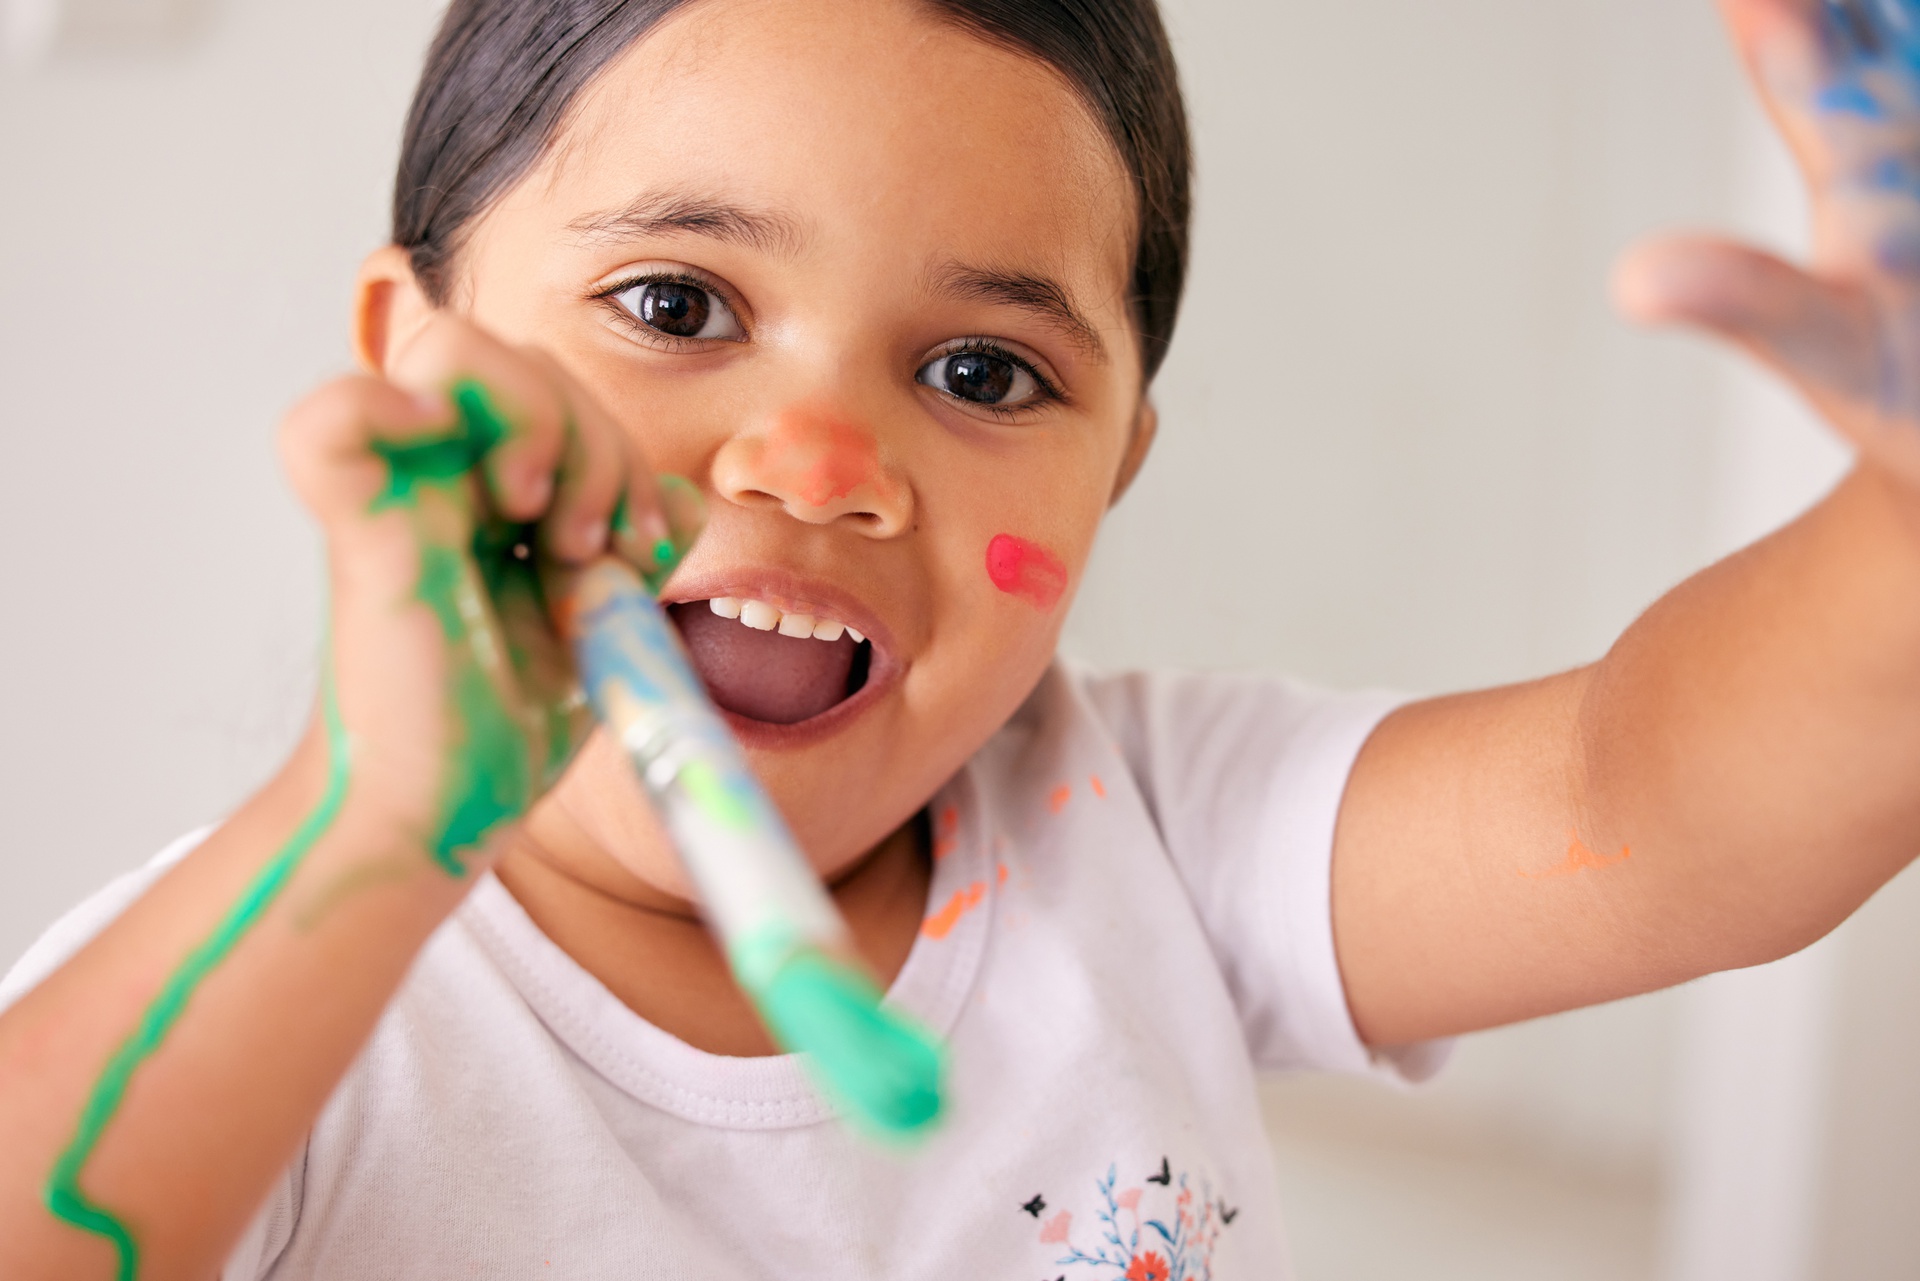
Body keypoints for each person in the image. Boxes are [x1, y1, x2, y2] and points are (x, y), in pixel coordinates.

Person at [5, 0, 1919, 1275]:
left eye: (984, 368)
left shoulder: (1141, 829)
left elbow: (1651, 811)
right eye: (676, 301)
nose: (823, 462)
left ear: (1120, 467)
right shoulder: (278, 992)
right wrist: (364, 825)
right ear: (413, 361)